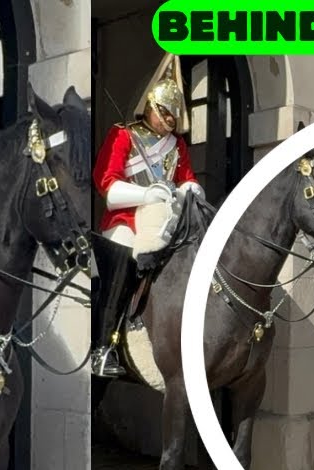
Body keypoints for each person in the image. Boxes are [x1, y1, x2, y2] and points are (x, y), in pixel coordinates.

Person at [89, 54, 203, 377]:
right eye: (162, 112)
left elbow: (187, 178)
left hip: (164, 219)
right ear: (150, 104)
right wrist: (145, 194)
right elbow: (107, 187)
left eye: (171, 117)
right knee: (124, 257)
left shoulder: (176, 146)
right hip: (126, 219)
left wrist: (190, 190)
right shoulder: (123, 135)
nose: (166, 119)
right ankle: (104, 347)